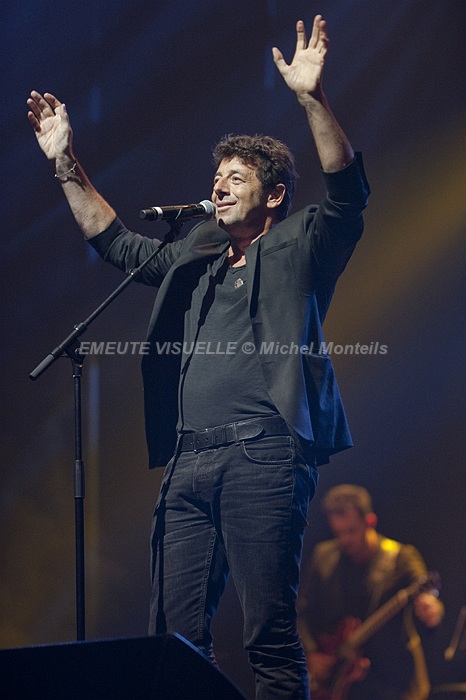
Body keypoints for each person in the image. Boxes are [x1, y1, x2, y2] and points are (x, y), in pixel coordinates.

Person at [27, 15, 370, 700]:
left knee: (268, 635)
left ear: (274, 195)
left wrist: (311, 98)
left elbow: (348, 194)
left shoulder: (300, 244)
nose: (219, 185)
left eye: (236, 177)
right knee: (172, 642)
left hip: (263, 456)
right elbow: (117, 244)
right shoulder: (198, 257)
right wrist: (66, 164)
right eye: (216, 176)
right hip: (187, 463)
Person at [298, 484, 444, 700]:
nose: (345, 540)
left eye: (351, 531)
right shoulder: (323, 556)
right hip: (342, 683)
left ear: (370, 521)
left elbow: (426, 591)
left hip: (393, 682)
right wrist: (310, 653)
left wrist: (431, 606)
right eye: (338, 533)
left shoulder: (401, 557)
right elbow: (302, 612)